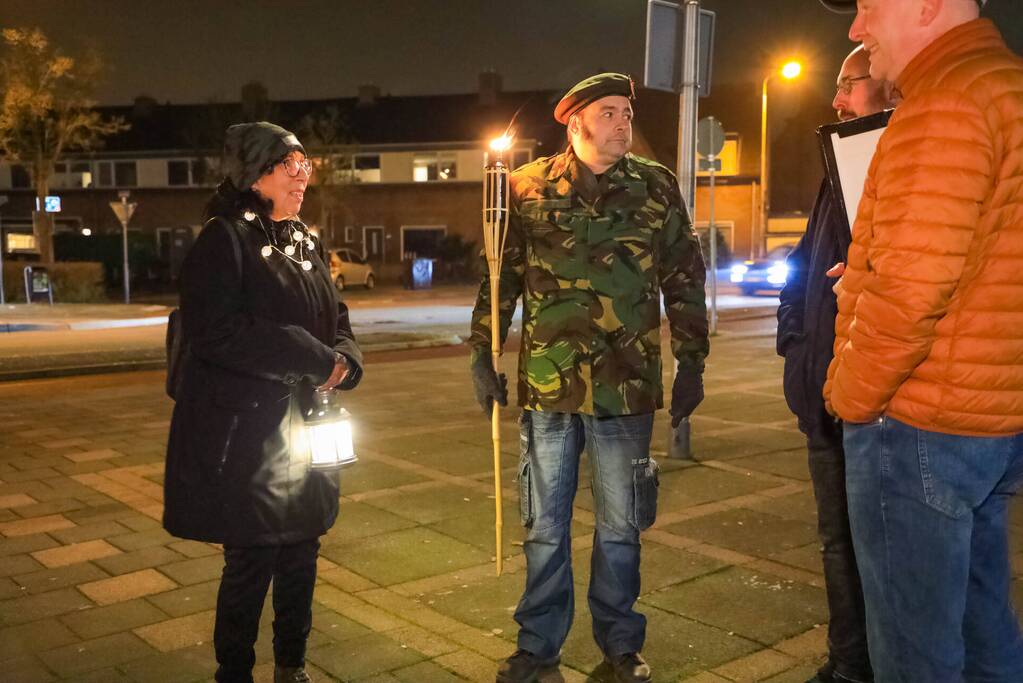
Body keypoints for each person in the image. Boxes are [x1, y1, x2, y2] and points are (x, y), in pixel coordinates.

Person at [469, 72, 709, 683]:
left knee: (622, 525)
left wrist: (692, 360)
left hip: (627, 386)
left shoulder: (656, 187)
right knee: (544, 526)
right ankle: (537, 646)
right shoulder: (525, 189)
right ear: (574, 122)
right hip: (550, 387)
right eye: (609, 112)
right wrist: (483, 352)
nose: (624, 122)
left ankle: (620, 646)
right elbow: (500, 279)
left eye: (627, 111)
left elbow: (684, 277)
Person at [819, 0, 1023, 680]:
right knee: (983, 623)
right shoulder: (1004, 83)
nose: (857, 28)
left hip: (918, 420)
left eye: (867, 5)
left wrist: (848, 399)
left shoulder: (944, 101)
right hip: (990, 413)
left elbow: (909, 294)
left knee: (913, 654)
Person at [163, 122, 363, 683]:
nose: (304, 176)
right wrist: (307, 354)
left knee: (302, 549)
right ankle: (236, 670)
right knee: (251, 558)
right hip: (250, 434)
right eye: (290, 166)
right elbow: (216, 332)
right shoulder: (223, 240)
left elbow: (337, 317)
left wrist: (345, 359)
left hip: (310, 425)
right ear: (255, 174)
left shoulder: (304, 239)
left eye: (307, 166)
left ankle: (292, 666)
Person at [777, 44, 897, 683]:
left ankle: (880, 664)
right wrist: (793, 346)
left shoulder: (899, 160)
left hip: (875, 402)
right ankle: (848, 663)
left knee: (883, 550)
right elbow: (800, 267)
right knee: (837, 544)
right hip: (822, 390)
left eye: (847, 84)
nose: (836, 99)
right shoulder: (841, 164)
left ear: (886, 88)